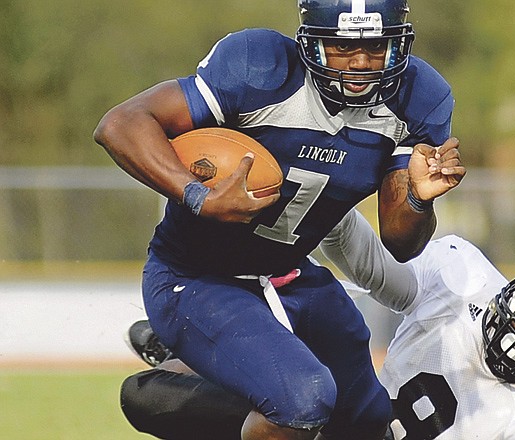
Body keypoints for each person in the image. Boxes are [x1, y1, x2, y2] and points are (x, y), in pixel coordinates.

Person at [93, 0, 465, 439]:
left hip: (291, 275)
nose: (363, 63)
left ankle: (198, 366)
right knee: (302, 404)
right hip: (196, 276)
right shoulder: (260, 69)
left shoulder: (417, 96)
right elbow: (120, 124)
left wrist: (419, 201)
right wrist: (198, 196)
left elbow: (402, 243)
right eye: (344, 48)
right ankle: (170, 383)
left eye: (377, 46)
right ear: (312, 44)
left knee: (365, 421)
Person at [121, 209, 515, 440]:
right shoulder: (464, 276)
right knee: (146, 396)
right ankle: (188, 352)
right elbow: (378, 273)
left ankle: (186, 353)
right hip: (349, 408)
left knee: (148, 396)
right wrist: (333, 216)